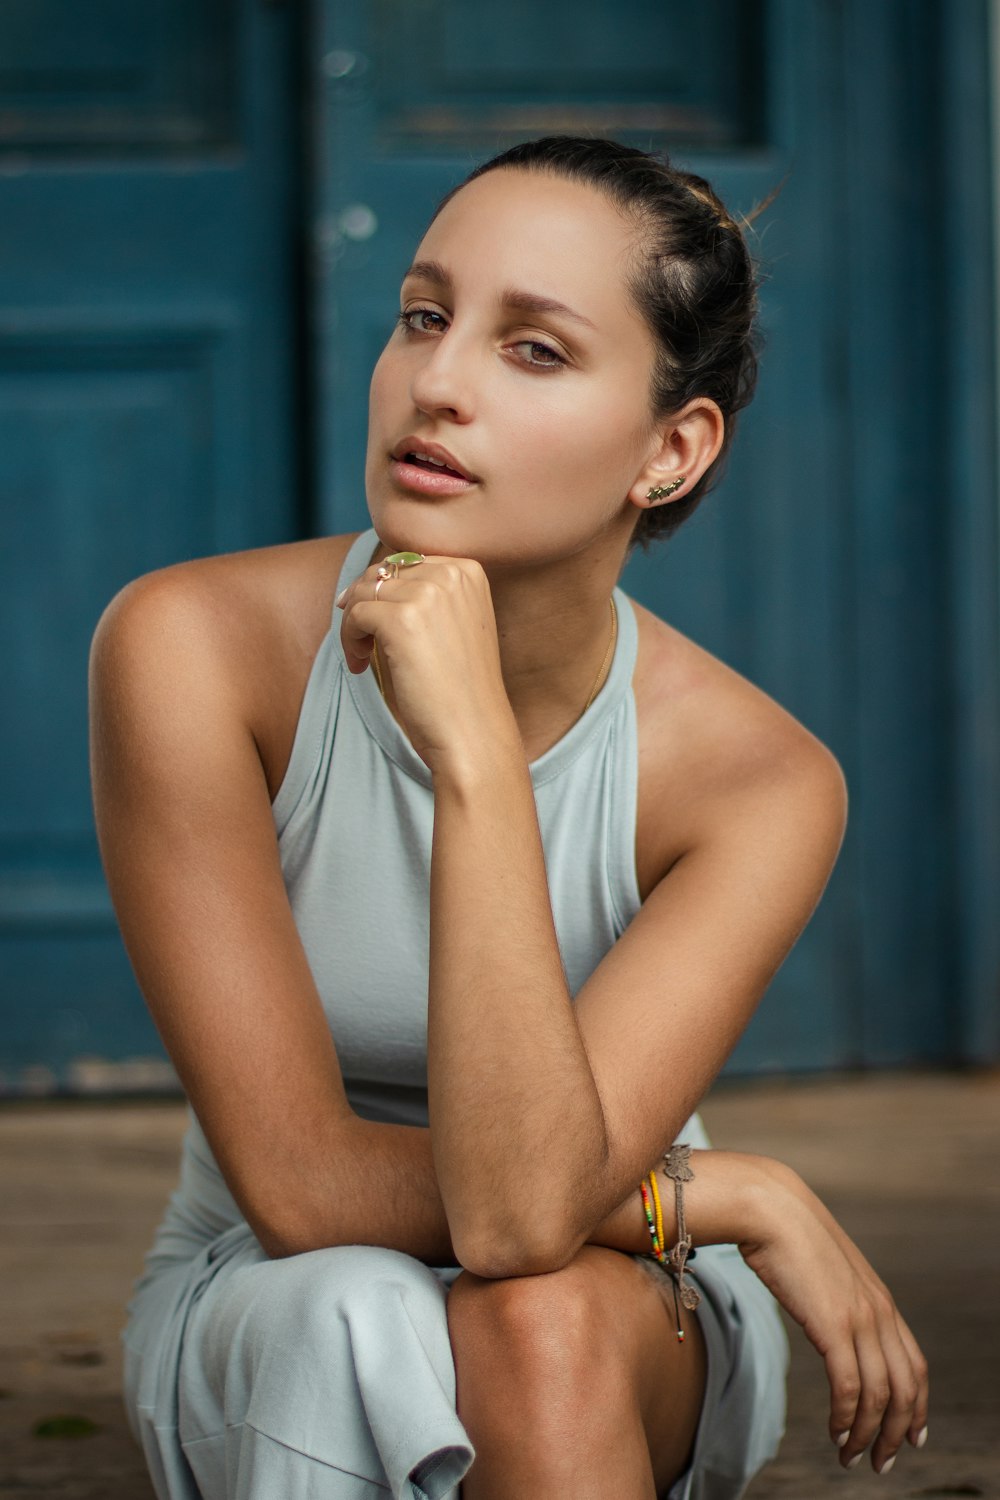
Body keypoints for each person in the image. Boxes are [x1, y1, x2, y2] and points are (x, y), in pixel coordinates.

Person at [90, 136, 929, 1500]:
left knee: (533, 1316)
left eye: (533, 349)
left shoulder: (758, 779)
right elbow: (298, 1189)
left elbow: (528, 1225)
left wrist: (476, 756)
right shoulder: (188, 648)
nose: (437, 382)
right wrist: (721, 1195)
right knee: (346, 1307)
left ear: (671, 450)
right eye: (427, 316)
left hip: (613, 1303)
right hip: (271, 1281)